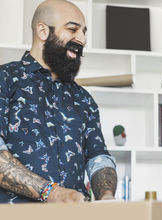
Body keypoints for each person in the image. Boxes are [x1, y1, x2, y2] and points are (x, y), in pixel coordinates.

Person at [0, 0, 117, 203]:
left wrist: (106, 195)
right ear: (43, 31)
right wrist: (52, 192)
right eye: (72, 29)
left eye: (84, 32)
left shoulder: (83, 99)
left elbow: (98, 158)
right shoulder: (5, 79)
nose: (81, 38)